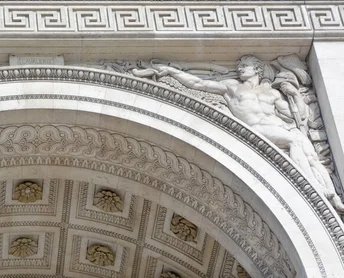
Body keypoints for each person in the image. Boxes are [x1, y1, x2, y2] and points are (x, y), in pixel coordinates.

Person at [134, 55, 344, 213]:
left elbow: (299, 116)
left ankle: (331, 194)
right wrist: (172, 72)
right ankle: (315, 189)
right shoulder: (231, 88)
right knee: (294, 141)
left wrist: (295, 93)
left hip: (280, 127)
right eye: (239, 66)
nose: (240, 68)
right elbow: (199, 83)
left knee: (308, 150)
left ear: (258, 69)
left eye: (245, 66)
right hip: (259, 131)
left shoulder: (271, 92)